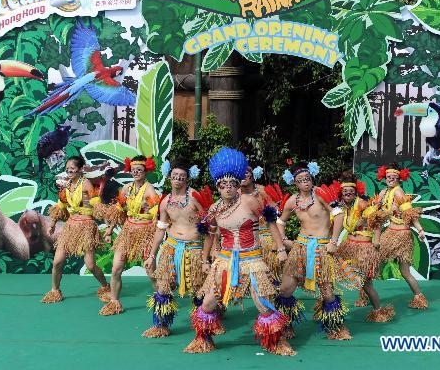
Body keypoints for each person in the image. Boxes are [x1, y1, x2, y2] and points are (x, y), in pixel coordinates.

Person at [185, 147, 295, 356]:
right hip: (225, 261)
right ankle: (202, 340)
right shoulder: (215, 209)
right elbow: (210, 234)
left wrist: (280, 248)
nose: (228, 188)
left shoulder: (249, 201)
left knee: (263, 304)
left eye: (232, 184)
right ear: (218, 187)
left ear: (238, 186)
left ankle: (276, 341)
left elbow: (271, 222)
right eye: (223, 185)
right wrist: (205, 259)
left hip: (251, 259)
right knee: (208, 303)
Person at [275, 162, 356, 340]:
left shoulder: (320, 194)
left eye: (307, 179)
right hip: (300, 248)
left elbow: (339, 214)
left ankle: (335, 328)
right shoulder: (292, 201)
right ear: (295, 183)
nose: (305, 182)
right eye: (301, 180)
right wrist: (283, 240)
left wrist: (333, 241)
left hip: (321, 248)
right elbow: (280, 222)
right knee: (286, 289)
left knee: (327, 291)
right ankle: (285, 326)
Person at [141, 159, 208, 337]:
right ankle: (161, 326)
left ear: (187, 179)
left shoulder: (195, 197)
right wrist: (152, 256)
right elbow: (160, 229)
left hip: (193, 249)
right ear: (169, 177)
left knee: (198, 289)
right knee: (163, 287)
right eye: (175, 176)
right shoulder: (165, 202)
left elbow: (210, 224)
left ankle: (203, 329)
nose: (178, 179)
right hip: (170, 248)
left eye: (182, 177)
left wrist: (210, 252)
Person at [41, 155, 110, 304]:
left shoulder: (86, 185)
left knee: (90, 265)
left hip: (86, 226)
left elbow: (96, 205)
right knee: (57, 262)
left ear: (80, 169)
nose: (69, 171)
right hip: (71, 227)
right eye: (67, 169)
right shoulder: (66, 186)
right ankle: (55, 290)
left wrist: (108, 228)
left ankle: (106, 287)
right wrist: (52, 224)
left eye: (72, 168)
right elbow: (59, 207)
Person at [97, 156, 160, 315]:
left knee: (151, 273)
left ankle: (162, 301)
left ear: (145, 171)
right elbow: (119, 211)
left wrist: (150, 215)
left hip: (145, 232)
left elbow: (157, 214)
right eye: (133, 170)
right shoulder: (126, 189)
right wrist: (110, 229)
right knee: (116, 268)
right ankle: (114, 302)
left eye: (139, 170)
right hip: (127, 231)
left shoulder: (149, 190)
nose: (136, 172)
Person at [329, 172, 395, 322]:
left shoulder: (363, 205)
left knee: (366, 283)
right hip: (348, 246)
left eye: (351, 191)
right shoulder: (340, 207)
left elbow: (376, 222)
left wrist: (377, 240)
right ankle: (327, 307)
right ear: (341, 192)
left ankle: (378, 311)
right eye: (345, 191)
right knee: (329, 274)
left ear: (355, 192)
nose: (348, 194)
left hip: (364, 247)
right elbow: (333, 225)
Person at [369, 163, 428, 309]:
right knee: (403, 271)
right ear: (384, 177)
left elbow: (409, 213)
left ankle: (366, 292)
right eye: (388, 177)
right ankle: (419, 298)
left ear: (399, 179)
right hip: (391, 232)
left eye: (394, 177)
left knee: (375, 260)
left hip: (399, 235)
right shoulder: (384, 193)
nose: (390, 179)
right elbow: (374, 210)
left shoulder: (398, 192)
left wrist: (420, 229)